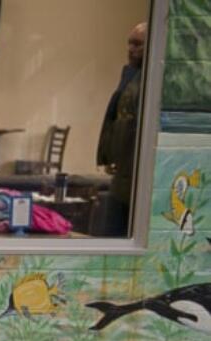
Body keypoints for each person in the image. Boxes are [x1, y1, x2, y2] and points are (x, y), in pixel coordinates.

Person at [96, 22, 147, 237]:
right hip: (121, 171)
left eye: (138, 44)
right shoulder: (130, 75)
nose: (131, 49)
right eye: (130, 43)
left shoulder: (151, 80)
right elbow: (116, 117)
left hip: (136, 172)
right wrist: (107, 155)